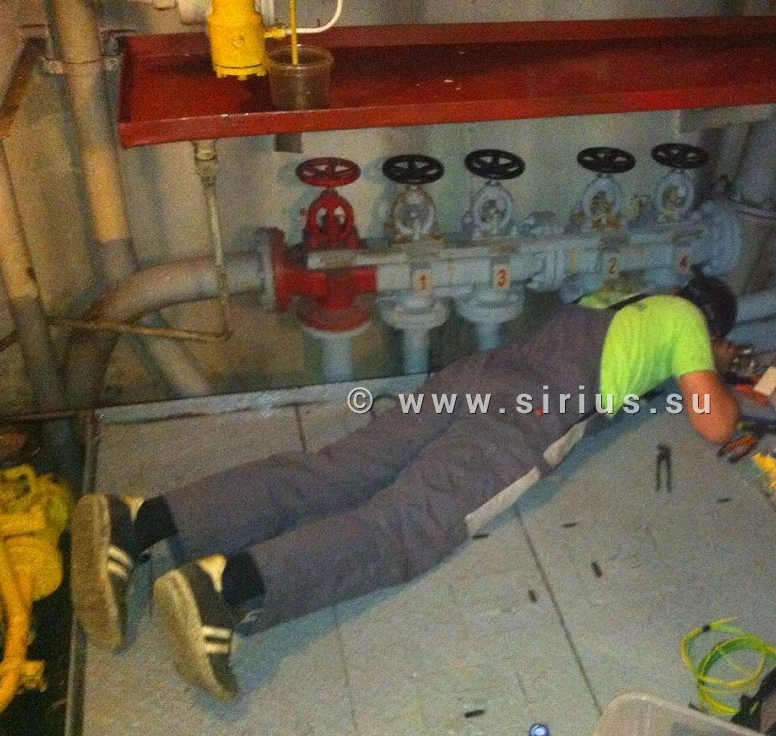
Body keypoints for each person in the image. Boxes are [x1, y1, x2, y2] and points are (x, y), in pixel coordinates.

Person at [70, 273, 741, 700]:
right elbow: (715, 422)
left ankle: (142, 520)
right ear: (708, 324)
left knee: (336, 470)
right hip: (526, 415)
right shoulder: (683, 323)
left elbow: (625, 365)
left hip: (473, 378)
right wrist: (710, 361)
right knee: (404, 527)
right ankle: (225, 588)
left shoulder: (619, 294)